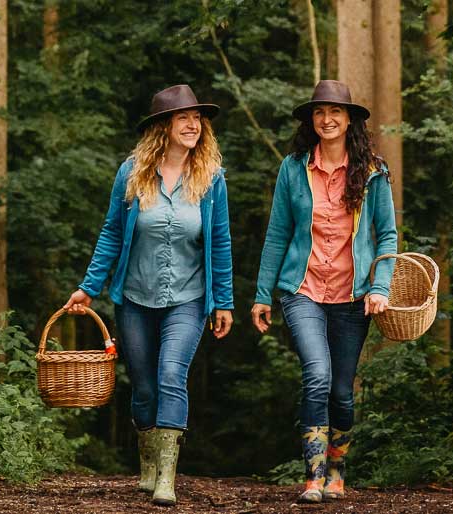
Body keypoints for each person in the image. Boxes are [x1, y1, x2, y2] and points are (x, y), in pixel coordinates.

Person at [63, 84, 234, 506]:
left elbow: (220, 241)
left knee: (171, 375)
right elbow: (112, 233)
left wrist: (224, 301)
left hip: (189, 298)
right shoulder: (132, 173)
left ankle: (166, 479)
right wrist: (89, 287)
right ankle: (147, 462)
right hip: (136, 297)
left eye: (197, 118)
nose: (193, 124)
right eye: (183, 118)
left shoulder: (211, 178)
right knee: (143, 387)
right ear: (164, 126)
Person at [251, 80, 397, 503]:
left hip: (354, 296)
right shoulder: (293, 168)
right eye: (319, 112)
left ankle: (337, 468)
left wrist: (380, 287)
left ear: (349, 119)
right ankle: (313, 477)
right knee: (316, 375)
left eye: (335, 112)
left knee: (341, 391)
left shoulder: (373, 171)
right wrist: (263, 295)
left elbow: (386, 235)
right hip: (303, 290)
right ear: (311, 120)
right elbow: (278, 234)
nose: (327, 119)